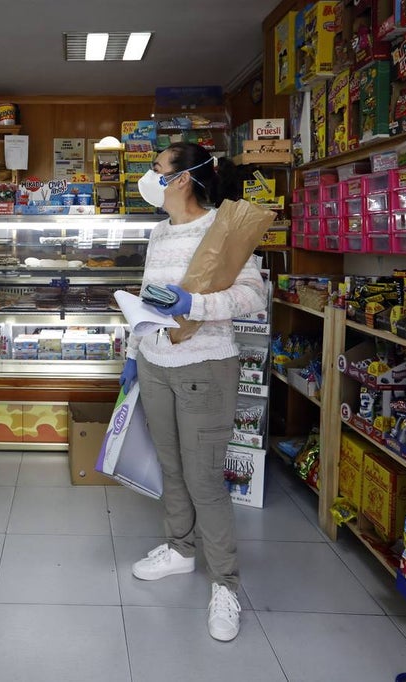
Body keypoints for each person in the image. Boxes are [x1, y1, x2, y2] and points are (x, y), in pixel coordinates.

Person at [120, 142, 266, 642]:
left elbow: (251, 297)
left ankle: (225, 584)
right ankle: (180, 550)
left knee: (204, 478)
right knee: (172, 467)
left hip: (204, 365)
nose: (149, 174)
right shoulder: (159, 233)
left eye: (156, 167)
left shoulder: (222, 229)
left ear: (181, 179)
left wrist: (194, 303)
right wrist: (132, 352)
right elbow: (145, 298)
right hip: (156, 362)